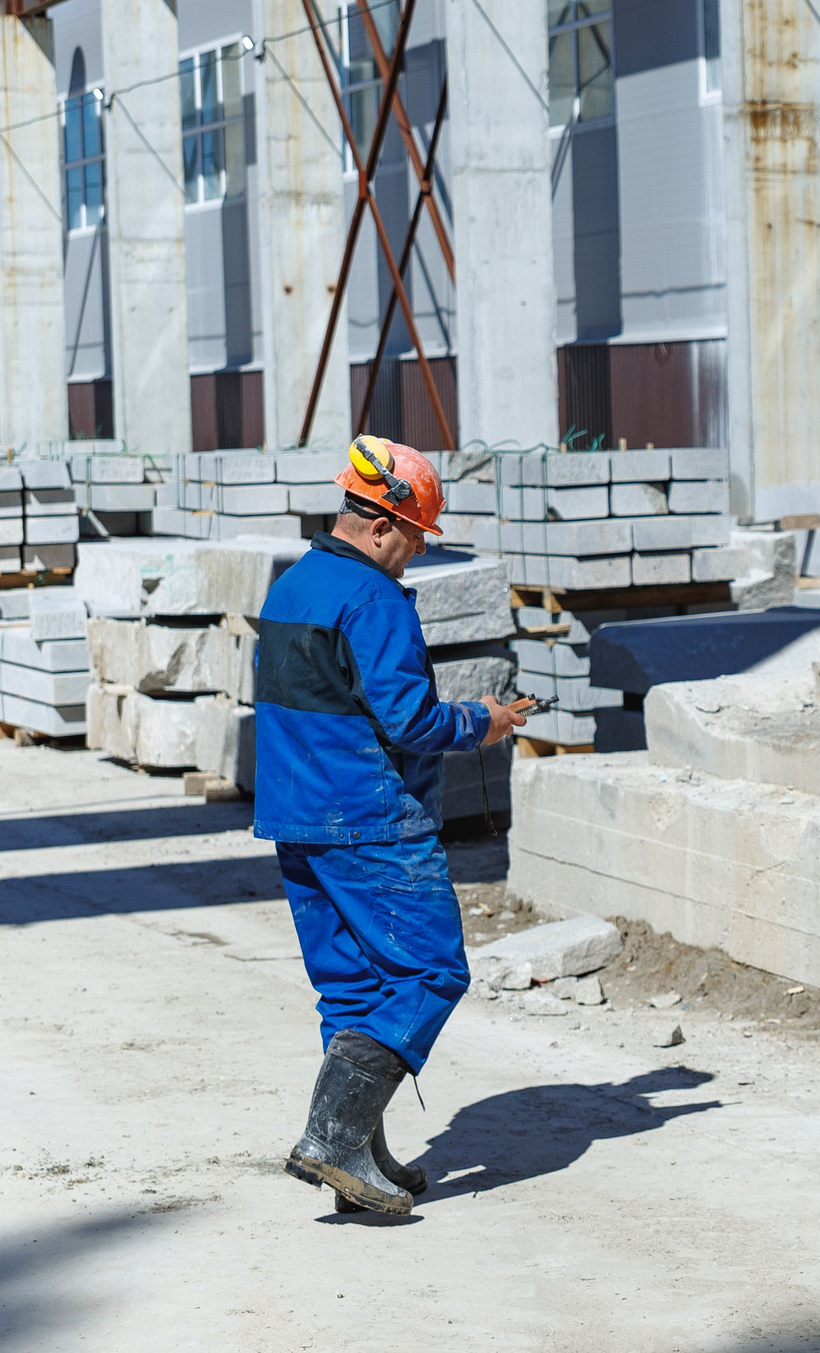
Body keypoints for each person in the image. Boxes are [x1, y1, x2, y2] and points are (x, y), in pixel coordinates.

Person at [254, 434, 532, 1214]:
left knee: (351, 986)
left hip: (297, 817)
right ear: (380, 526)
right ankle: (334, 1138)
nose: (411, 557)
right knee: (430, 970)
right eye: (412, 541)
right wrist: (487, 720)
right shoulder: (370, 597)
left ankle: (355, 1156)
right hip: (369, 820)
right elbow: (409, 721)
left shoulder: (294, 584)